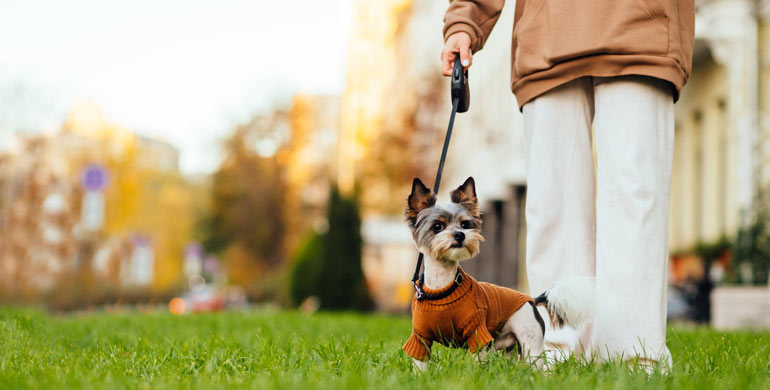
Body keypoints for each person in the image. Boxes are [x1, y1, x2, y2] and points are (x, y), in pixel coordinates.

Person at [440, 0, 695, 368]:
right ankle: (556, 347)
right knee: (554, 205)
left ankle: (635, 354)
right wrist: (466, 21)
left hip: (643, 30)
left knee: (634, 199)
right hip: (547, 39)